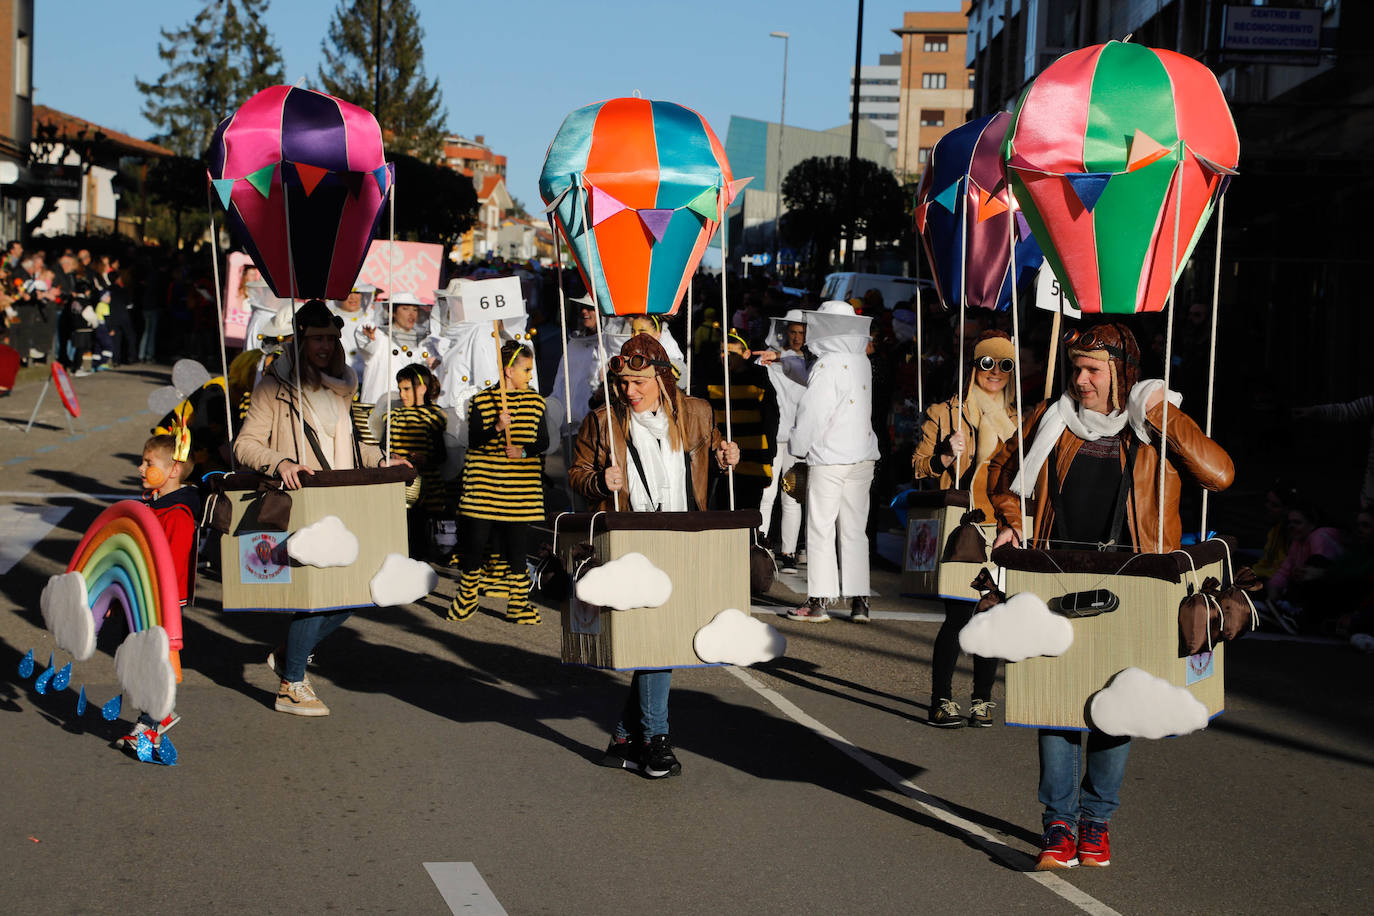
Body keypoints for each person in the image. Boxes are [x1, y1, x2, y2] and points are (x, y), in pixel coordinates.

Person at [986, 322, 1234, 870]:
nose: (1081, 380)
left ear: (1121, 373)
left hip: (1134, 583)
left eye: (1093, 370)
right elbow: (1001, 474)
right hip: (1055, 576)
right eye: (1076, 369)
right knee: (1054, 703)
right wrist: (1010, 521)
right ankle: (1057, 825)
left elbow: (1219, 475)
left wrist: (1161, 413)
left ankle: (1096, 824)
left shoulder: (1151, 425)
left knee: (1118, 706)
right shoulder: (1050, 419)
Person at [568, 334, 740, 778]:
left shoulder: (697, 414)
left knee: (659, 638)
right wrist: (599, 481)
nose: (630, 391)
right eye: (624, 382)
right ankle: (658, 740)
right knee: (655, 638)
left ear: (662, 377)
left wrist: (726, 457)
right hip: (631, 542)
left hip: (684, 537)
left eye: (639, 381)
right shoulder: (603, 421)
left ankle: (625, 738)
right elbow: (578, 474)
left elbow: (715, 452)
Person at [235, 300, 410, 717]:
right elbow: (244, 444)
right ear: (300, 338)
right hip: (303, 500)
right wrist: (280, 463)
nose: (326, 346)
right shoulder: (274, 386)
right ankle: (291, 684)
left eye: (332, 338)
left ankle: (289, 655)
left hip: (344, 498)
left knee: (357, 591)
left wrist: (380, 460)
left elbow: (352, 444)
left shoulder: (343, 383)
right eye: (317, 338)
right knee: (316, 596)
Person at [911, 330, 1019, 727]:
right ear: (972, 367)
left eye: (1004, 364)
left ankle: (981, 700)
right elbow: (918, 467)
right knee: (958, 616)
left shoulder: (1017, 419)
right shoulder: (946, 413)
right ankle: (940, 701)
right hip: (962, 526)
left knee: (991, 614)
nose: (995, 372)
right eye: (987, 363)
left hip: (1002, 528)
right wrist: (944, 454)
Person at [784, 301, 880, 624]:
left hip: (829, 458)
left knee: (821, 527)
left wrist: (797, 447)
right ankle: (860, 601)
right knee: (855, 530)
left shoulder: (827, 364)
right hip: (863, 455)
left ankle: (818, 601)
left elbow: (812, 413)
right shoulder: (861, 361)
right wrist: (784, 361)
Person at [449, 342, 548, 624]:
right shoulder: (482, 401)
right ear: (509, 371)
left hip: (520, 490)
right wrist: (496, 428)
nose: (530, 375)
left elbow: (543, 442)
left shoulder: (536, 402)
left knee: (518, 548)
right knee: (475, 545)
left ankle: (518, 603)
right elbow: (475, 441)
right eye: (526, 370)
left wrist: (523, 451)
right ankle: (467, 598)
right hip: (484, 487)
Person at [118, 431, 202, 748]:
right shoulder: (154, 505)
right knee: (140, 657)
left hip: (160, 600)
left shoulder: (178, 513)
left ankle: (153, 722)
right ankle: (154, 717)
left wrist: (149, 591)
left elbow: (170, 563)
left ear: (173, 469)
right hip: (142, 594)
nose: (140, 468)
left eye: (148, 462)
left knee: (154, 660)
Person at [756, 309, 809, 568]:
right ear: (785, 331)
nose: (797, 337)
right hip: (772, 438)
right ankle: (762, 546)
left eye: (802, 332)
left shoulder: (811, 365)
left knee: (791, 497)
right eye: (793, 332)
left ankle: (788, 553)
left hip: (797, 442)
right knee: (767, 494)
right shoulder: (768, 360)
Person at [386, 363, 449, 560]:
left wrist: (426, 459)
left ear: (422, 389)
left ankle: (419, 573)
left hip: (424, 489)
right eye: (400, 389)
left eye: (406, 389)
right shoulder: (393, 416)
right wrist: (390, 456)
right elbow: (383, 445)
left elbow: (442, 454)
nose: (402, 394)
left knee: (419, 533)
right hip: (397, 484)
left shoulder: (433, 416)